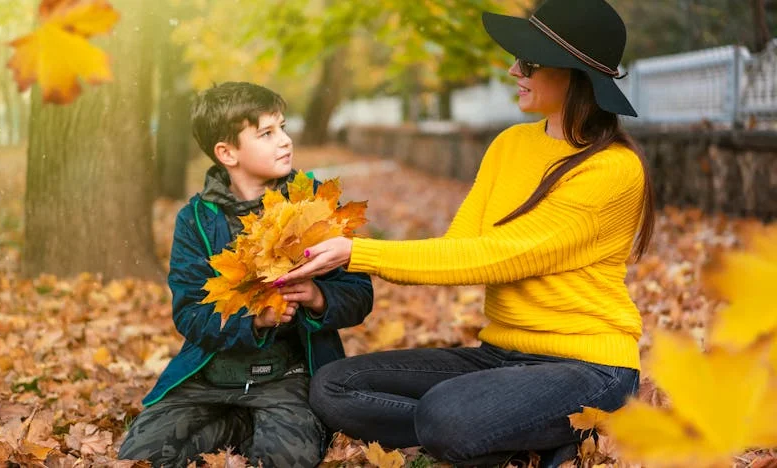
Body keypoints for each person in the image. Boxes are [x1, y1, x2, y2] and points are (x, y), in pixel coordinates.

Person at [274, 0, 654, 466]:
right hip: (499, 356)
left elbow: (499, 256)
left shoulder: (613, 169)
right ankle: (518, 436)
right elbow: (458, 251)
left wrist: (357, 253)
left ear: (574, 75)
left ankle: (496, 430)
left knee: (446, 416)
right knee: (334, 386)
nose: (515, 70)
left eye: (530, 62)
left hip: (588, 368)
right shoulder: (509, 145)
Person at [118, 82, 373, 467]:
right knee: (139, 454)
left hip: (289, 374)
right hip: (212, 375)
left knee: (286, 458)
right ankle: (237, 425)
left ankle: (263, 426)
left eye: (283, 128)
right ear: (227, 153)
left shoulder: (314, 202)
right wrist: (256, 321)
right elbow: (189, 312)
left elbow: (358, 292)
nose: (285, 141)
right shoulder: (196, 221)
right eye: (266, 134)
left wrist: (319, 299)